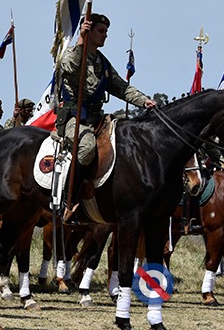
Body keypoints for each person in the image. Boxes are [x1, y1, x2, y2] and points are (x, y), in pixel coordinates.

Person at [57, 13, 156, 204]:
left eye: (106, 32)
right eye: (101, 31)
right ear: (88, 30)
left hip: (97, 118)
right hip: (73, 118)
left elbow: (121, 87)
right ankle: (68, 199)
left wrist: (144, 101)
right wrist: (80, 42)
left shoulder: (103, 63)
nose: (105, 35)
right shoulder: (71, 54)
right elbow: (70, 68)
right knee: (86, 148)